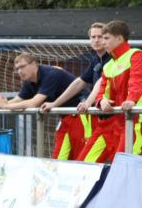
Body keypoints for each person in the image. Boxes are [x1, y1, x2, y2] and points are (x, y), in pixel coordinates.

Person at [75, 20, 142, 163]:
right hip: (111, 123)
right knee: (84, 163)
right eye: (99, 38)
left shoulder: (136, 55)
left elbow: (138, 80)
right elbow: (101, 92)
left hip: (135, 120)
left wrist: (131, 99)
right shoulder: (109, 65)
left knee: (124, 167)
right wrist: (101, 101)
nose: (102, 42)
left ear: (119, 38)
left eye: (106, 38)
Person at [0, 53, 90, 159]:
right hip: (66, 118)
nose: (20, 71)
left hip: (82, 114)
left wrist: (5, 106)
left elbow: (34, 103)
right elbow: (17, 100)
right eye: (17, 69)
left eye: (22, 67)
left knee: (82, 157)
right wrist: (1, 102)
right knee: (58, 159)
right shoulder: (29, 81)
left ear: (34, 64)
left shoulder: (51, 74)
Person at [40, 22, 110, 159]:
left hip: (117, 119)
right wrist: (55, 104)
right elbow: (78, 82)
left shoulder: (113, 59)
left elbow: (101, 82)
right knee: (86, 162)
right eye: (93, 37)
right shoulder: (96, 60)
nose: (96, 40)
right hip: (102, 120)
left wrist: (88, 103)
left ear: (107, 38)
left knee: (119, 165)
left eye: (100, 36)